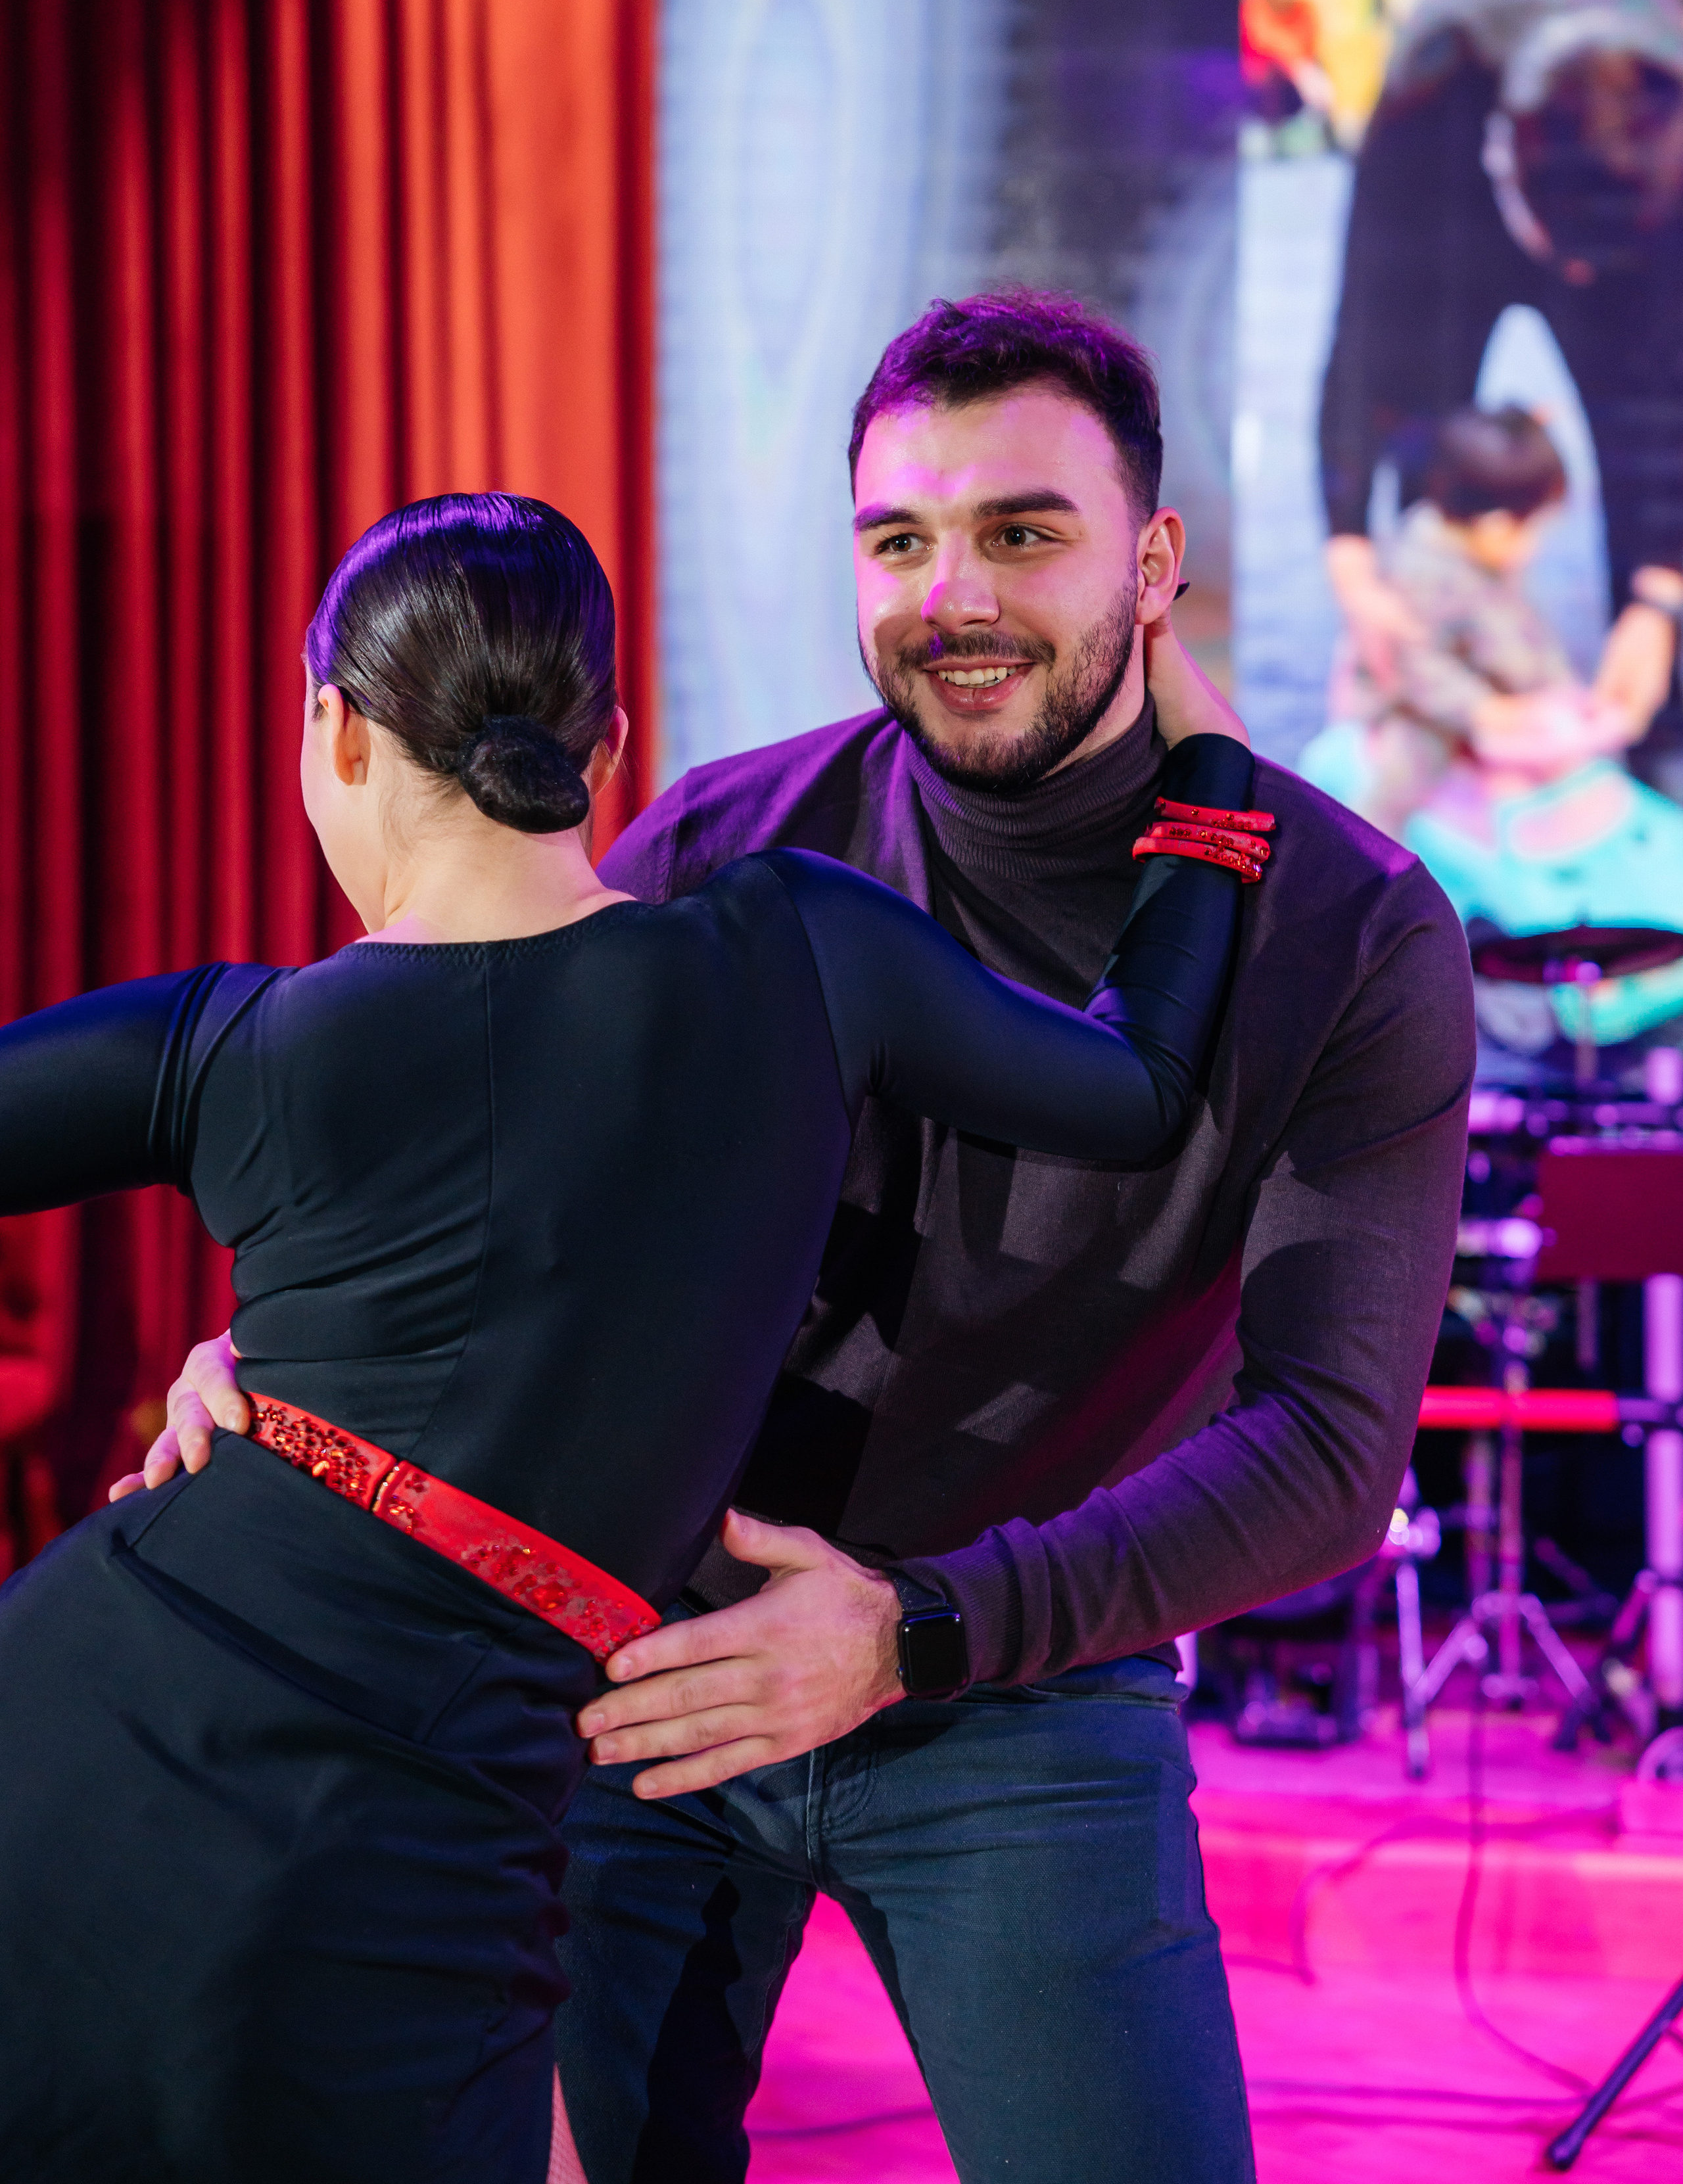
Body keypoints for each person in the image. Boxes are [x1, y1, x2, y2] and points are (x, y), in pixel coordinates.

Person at [151, 296, 1475, 2184]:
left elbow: (1332, 1457)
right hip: (640, 1654)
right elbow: (505, 1217)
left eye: (1025, 533)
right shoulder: (728, 841)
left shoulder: (1355, 931)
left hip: (1023, 1674)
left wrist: (921, 1634)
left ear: (1153, 562)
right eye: (900, 540)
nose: (958, 596)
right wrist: (289, 1365)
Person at [0, 488, 1266, 2183]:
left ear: (336, 726)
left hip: (128, 1715)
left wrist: (273, 1393)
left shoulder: (240, 1041)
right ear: (605, 741)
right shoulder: (797, 947)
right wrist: (1214, 788)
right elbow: (1139, 1084)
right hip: (443, 1789)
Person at [1317, 0, 1683, 770]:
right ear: (1508, 153)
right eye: (1570, 255)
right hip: (1460, 179)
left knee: (1638, 431)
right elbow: (1362, 347)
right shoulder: (1427, 114)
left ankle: (1656, 710)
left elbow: (1672, 398)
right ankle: (1437, 670)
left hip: (1636, 214)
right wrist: (1354, 566)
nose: (1579, 279)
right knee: (1427, 422)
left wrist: (1662, 597)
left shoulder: (1668, 154)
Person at [1305, 404, 1644, 837]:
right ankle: (1368, 847)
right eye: (1534, 531)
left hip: (1476, 662)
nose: (1536, 545)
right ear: (1498, 526)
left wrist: (1557, 689)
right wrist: (1482, 708)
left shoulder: (1483, 548)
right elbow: (1419, 668)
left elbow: (1518, 626)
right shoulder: (1424, 571)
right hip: (1417, 702)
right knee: (1414, 759)